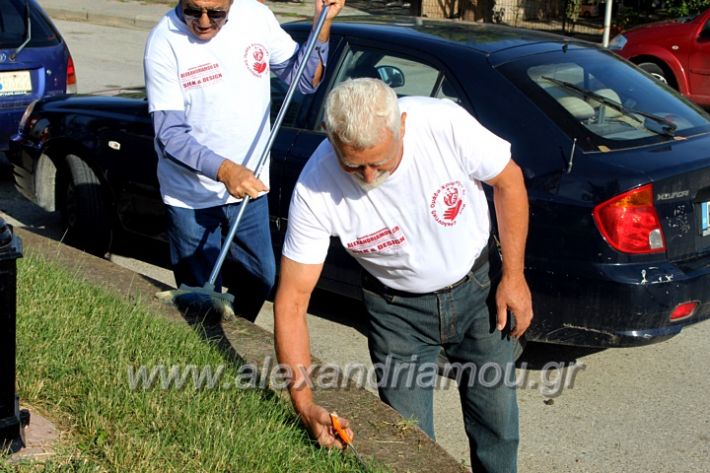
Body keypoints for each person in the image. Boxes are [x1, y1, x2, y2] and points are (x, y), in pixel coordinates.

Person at [274, 78, 533, 472]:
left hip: (478, 290)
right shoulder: (316, 187)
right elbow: (292, 301)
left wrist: (514, 277)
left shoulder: (443, 125)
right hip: (397, 314)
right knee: (408, 442)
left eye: (380, 161)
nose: (368, 176)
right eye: (354, 164)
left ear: (403, 126)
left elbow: (509, 181)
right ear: (330, 139)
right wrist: (305, 404)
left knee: (497, 426)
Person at [143, 0, 344, 322]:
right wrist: (225, 170)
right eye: (193, 11)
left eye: (216, 13)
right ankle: (202, 348)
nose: (204, 22)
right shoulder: (164, 42)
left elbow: (304, 80)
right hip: (190, 195)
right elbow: (170, 136)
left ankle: (234, 332)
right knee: (197, 296)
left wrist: (322, 23)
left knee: (260, 276)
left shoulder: (256, 17)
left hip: (250, 187)